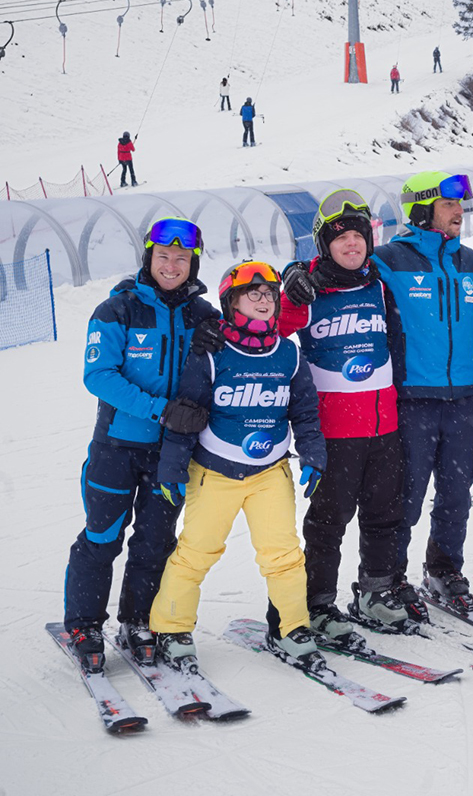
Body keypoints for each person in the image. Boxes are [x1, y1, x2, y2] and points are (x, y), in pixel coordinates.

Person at [149, 261, 329, 673]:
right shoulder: (211, 353)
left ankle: (292, 628)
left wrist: (314, 455)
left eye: (269, 293)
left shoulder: (288, 352)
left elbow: (304, 411)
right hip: (215, 473)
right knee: (196, 552)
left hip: (270, 473)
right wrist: (172, 469)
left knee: (283, 555)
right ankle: (171, 627)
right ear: (231, 303)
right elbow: (187, 415)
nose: (264, 300)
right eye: (253, 293)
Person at [63, 217, 221, 671]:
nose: (172, 266)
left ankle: (137, 620)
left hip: (171, 453)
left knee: (155, 542)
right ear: (148, 257)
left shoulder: (204, 315)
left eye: (182, 258)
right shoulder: (118, 310)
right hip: (117, 447)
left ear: (192, 263)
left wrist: (221, 340)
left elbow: (257, 328)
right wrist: (162, 409)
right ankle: (85, 622)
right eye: (163, 256)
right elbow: (99, 376)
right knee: (102, 536)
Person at [276, 189, 416, 641]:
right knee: (328, 522)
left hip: (385, 425)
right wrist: (292, 280)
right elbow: (270, 328)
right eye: (341, 239)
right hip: (335, 430)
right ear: (324, 245)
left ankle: (374, 592)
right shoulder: (309, 289)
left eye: (358, 235)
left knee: (384, 514)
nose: (351, 244)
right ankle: (316, 604)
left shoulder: (379, 283)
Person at [370, 171, 473, 613]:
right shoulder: (390, 260)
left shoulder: (471, 263)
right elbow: (337, 270)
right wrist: (302, 273)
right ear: (422, 208)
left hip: (461, 402)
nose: (459, 211)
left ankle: (443, 568)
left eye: (461, 205)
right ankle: (392, 576)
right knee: (407, 497)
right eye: (449, 204)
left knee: (457, 494)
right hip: (413, 401)